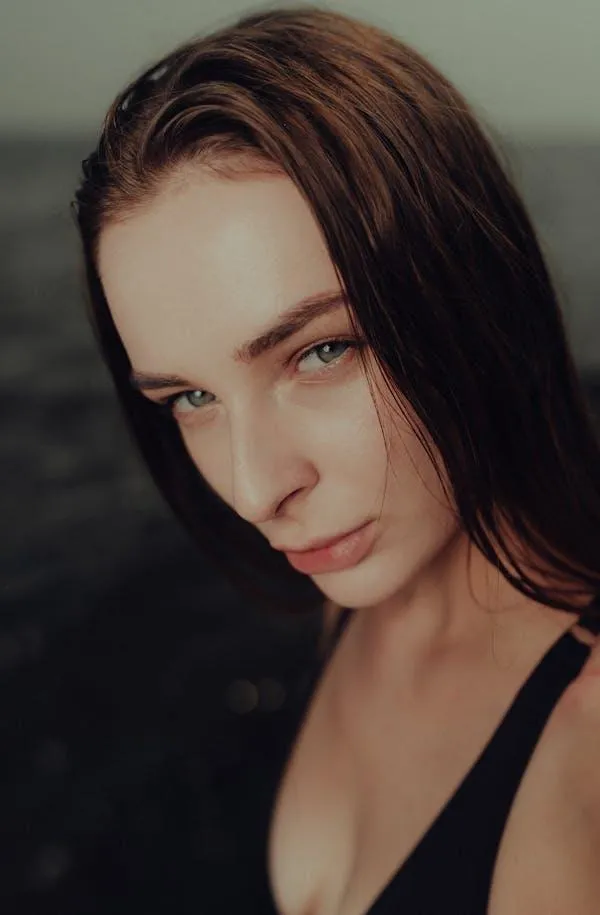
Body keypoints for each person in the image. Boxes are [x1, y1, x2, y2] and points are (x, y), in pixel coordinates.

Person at [72, 5, 600, 913]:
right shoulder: (355, 597)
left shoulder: (583, 762)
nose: (255, 488)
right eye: (190, 398)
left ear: (471, 292)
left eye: (320, 352)